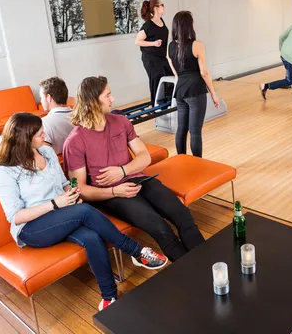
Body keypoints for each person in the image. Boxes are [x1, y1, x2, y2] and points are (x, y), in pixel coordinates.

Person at [0, 113, 167, 311]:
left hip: (62, 213)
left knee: (91, 237)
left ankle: (109, 296)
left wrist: (72, 193)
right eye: (40, 133)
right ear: (24, 138)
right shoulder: (4, 172)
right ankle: (135, 251)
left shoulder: (46, 152)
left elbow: (65, 184)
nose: (45, 134)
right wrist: (56, 203)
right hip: (32, 228)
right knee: (84, 211)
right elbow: (15, 216)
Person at [63, 76, 205, 262]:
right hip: (111, 195)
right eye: (108, 95)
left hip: (139, 180)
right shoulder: (75, 141)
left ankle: (207, 262)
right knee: (160, 228)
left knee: (182, 214)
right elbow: (80, 189)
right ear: (92, 101)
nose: (112, 99)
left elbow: (144, 157)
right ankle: (194, 271)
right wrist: (115, 191)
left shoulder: (120, 122)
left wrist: (122, 171)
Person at [167, 11, 219, 158]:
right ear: (188, 25)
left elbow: (175, 72)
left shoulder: (170, 46)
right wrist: (213, 94)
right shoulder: (197, 45)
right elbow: (204, 72)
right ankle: (197, 163)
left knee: (181, 129)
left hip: (180, 91)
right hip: (195, 90)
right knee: (195, 130)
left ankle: (181, 160)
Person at [135, 0, 173, 105]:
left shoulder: (161, 21)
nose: (164, 7)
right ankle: (156, 106)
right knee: (157, 78)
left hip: (161, 57)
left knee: (170, 74)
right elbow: (137, 41)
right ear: (156, 8)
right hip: (150, 58)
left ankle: (168, 103)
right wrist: (153, 43)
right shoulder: (148, 25)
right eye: (162, 5)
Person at [39, 76, 74, 154]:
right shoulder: (80, 116)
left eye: (41, 97)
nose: (41, 101)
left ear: (49, 97)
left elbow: (45, 155)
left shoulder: (44, 123)